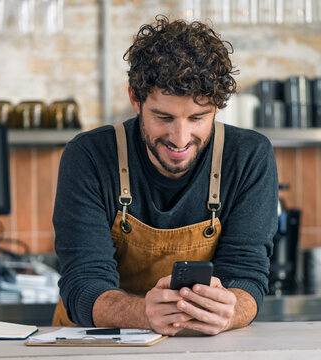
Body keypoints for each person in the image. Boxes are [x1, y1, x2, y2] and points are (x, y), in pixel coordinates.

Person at [52, 15, 278, 336]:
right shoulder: (89, 156)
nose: (181, 138)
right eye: (163, 116)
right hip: (96, 346)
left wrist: (230, 310)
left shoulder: (248, 156)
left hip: (201, 348)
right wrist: (143, 313)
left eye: (198, 118)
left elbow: (246, 277)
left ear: (216, 108)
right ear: (135, 99)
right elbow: (83, 285)